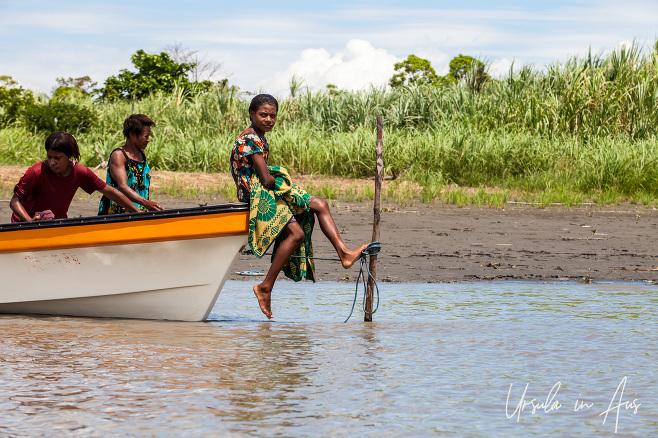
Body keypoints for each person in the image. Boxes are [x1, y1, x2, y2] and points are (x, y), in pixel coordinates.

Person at [230, 93, 369, 319]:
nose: (268, 119)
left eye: (272, 116)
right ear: (251, 114)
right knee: (296, 233)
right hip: (257, 197)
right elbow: (265, 180)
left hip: (264, 193)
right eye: (263, 115)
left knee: (319, 205)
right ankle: (265, 287)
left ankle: (344, 254)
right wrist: (286, 185)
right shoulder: (250, 139)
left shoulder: (259, 137)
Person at [10, 131, 140, 222]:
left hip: (56, 225)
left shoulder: (80, 172)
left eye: (57, 158)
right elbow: (15, 201)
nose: (52, 162)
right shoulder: (36, 172)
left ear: (69, 156)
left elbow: (110, 192)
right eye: (49, 157)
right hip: (25, 226)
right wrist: (30, 222)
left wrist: (138, 213)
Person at [98, 114, 163, 215]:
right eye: (146, 136)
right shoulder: (119, 155)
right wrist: (146, 203)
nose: (148, 140)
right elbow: (123, 187)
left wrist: (145, 206)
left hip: (139, 211)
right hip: (116, 212)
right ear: (132, 134)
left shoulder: (141, 154)